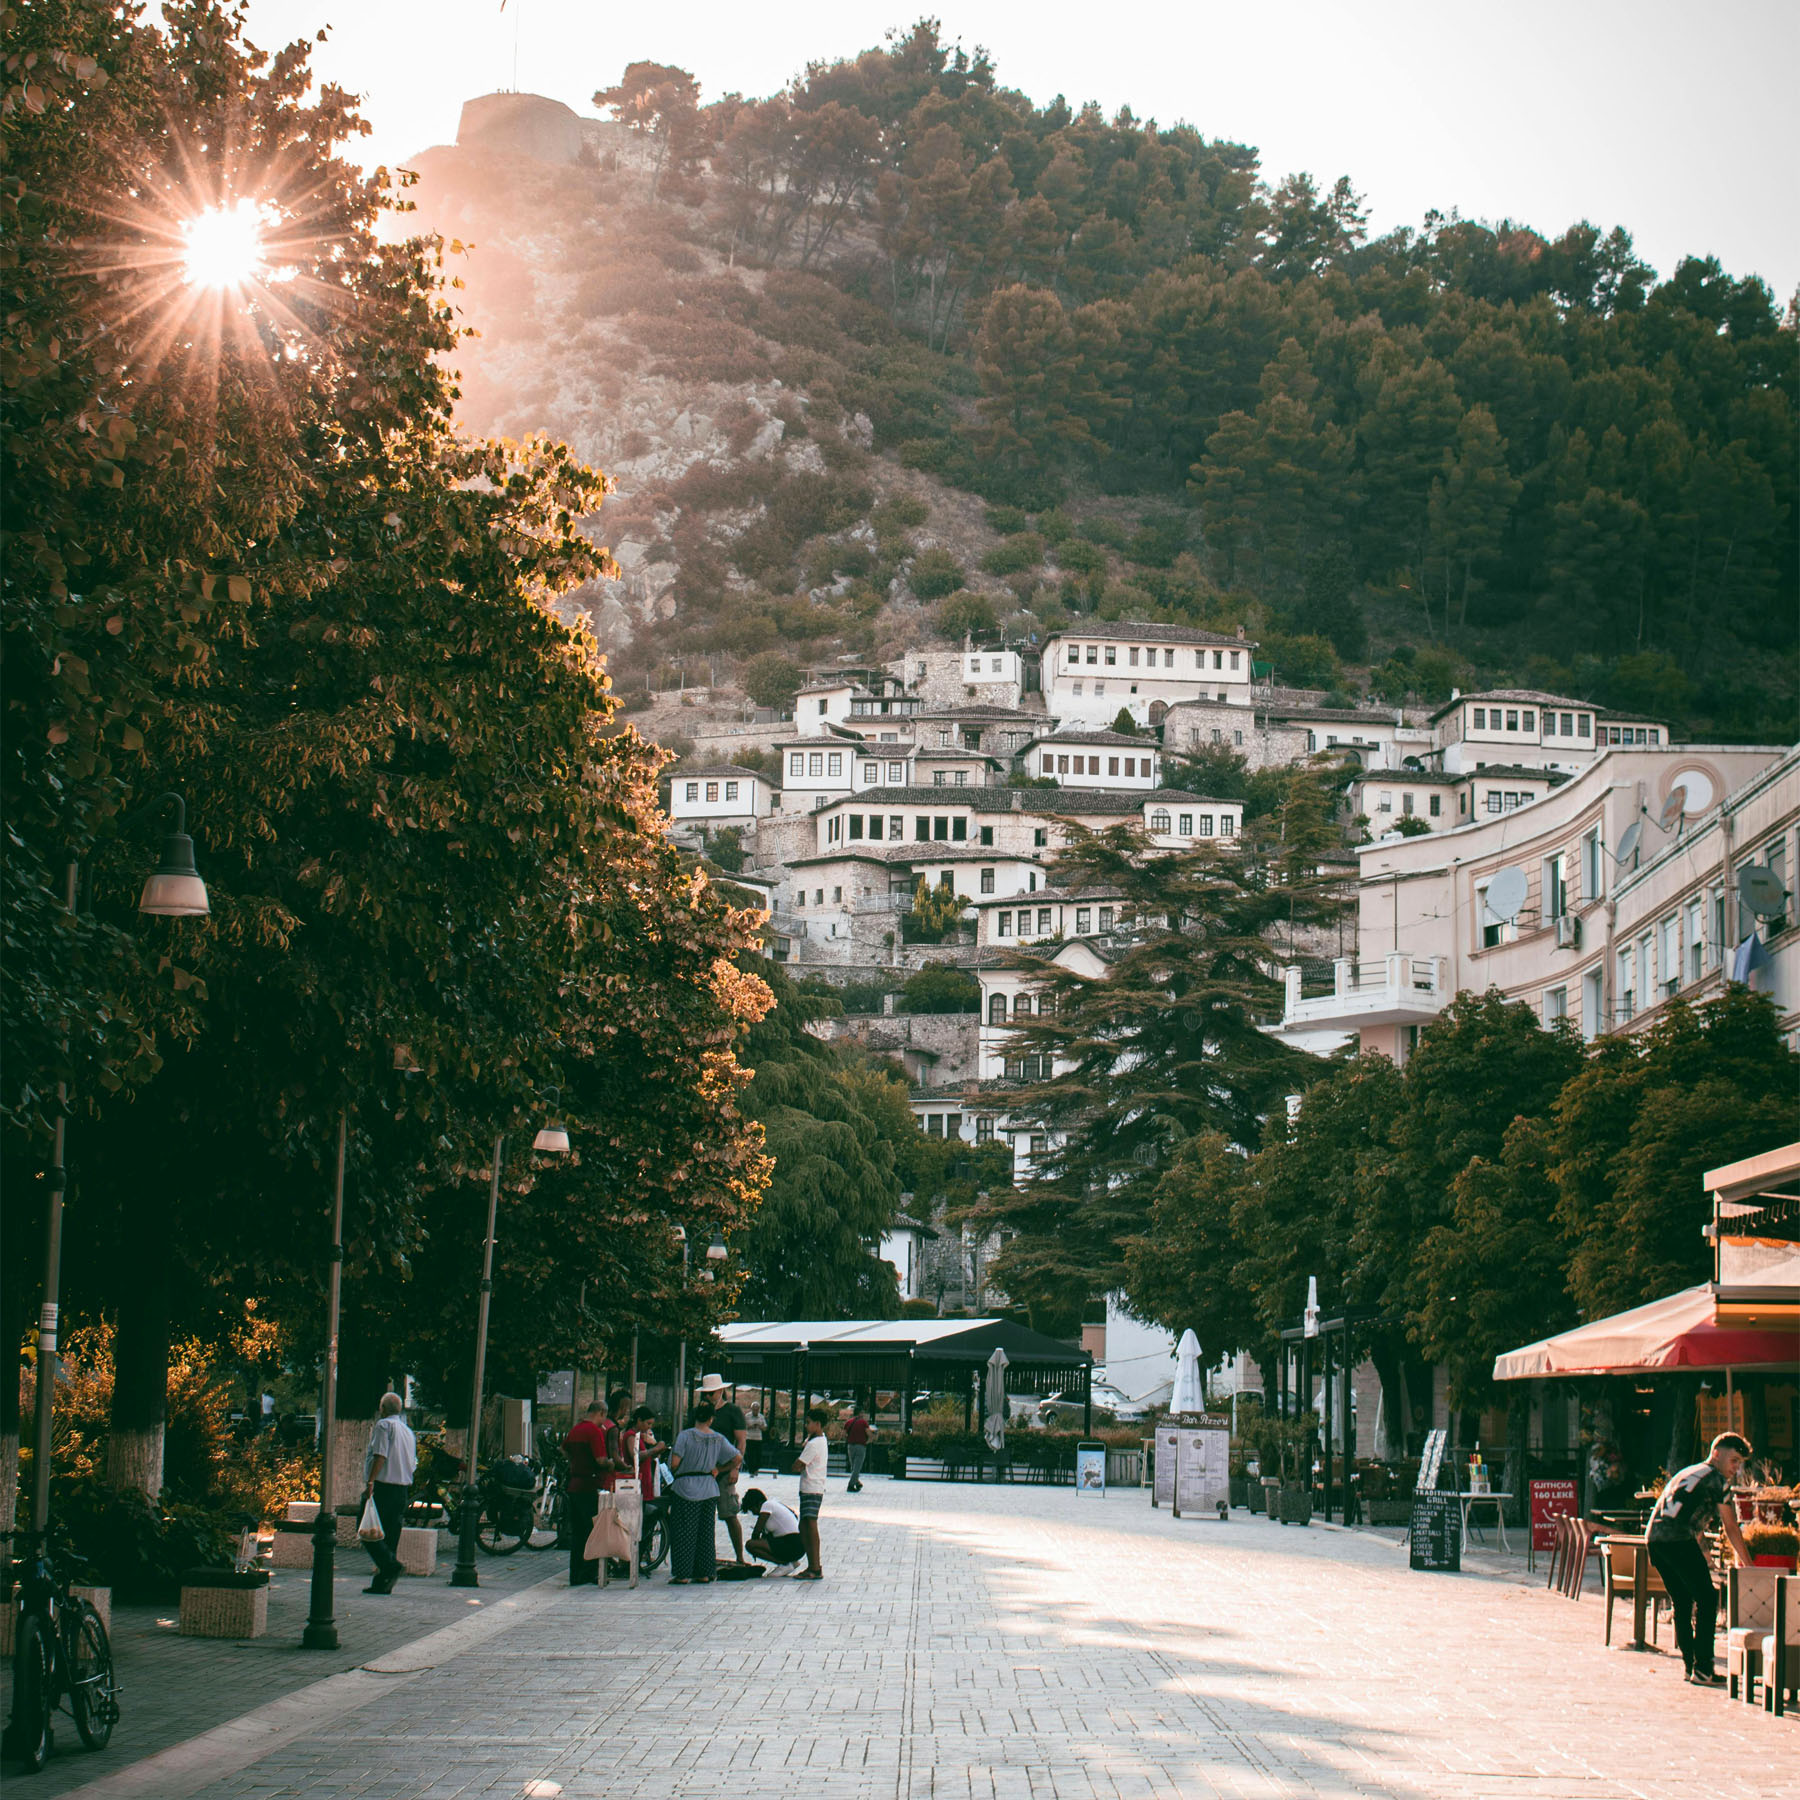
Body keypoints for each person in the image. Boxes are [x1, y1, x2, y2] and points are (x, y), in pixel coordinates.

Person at [1645, 1431, 1754, 1684]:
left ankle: (1690, 1667)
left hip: (1655, 1539)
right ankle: (1703, 1667)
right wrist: (1748, 1564)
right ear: (1717, 1454)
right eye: (1734, 1460)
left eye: (1739, 1463)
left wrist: (1704, 1554)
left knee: (1682, 1602)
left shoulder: (1689, 1472)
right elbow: (1730, 1526)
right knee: (1707, 1598)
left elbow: (1684, 1515)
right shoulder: (1717, 1480)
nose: (1735, 1469)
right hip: (1677, 1539)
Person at [666, 1399, 740, 1584]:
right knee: (706, 1533)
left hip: (686, 1487)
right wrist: (719, 1469)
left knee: (684, 1531)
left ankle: (683, 1574)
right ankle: (704, 1572)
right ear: (711, 1419)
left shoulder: (685, 1436)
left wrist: (678, 1470)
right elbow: (737, 1457)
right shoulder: (718, 1438)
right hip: (709, 1487)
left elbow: (674, 1463)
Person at [360, 1392, 417, 1595]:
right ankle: (383, 1582)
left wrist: (370, 1482)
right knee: (391, 1535)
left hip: (383, 1487)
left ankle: (390, 1566)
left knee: (366, 1529)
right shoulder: (408, 1431)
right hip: (401, 1489)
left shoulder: (384, 1426)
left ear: (382, 1408)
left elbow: (380, 1455)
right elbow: (412, 1463)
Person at [562, 1399, 611, 1588]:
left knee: (578, 1533)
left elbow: (563, 1449)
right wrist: (610, 1464)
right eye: (603, 1417)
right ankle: (589, 1572)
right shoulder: (593, 1431)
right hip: (589, 1485)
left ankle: (575, 1574)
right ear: (601, 1413)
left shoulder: (576, 1429)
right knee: (591, 1532)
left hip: (574, 1484)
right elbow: (600, 1459)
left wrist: (575, 1461)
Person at [702, 1374, 749, 1566]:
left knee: (729, 1513)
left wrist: (735, 1468)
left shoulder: (732, 1412)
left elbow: (741, 1440)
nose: (709, 1397)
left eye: (712, 1393)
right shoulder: (702, 1411)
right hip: (705, 1469)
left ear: (721, 1392)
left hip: (725, 1467)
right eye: (707, 1394)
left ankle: (739, 1556)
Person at [790, 1405, 829, 1580]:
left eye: (809, 1423)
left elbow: (797, 1465)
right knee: (804, 1525)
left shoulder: (814, 1444)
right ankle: (813, 1565)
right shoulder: (820, 1440)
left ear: (818, 1424)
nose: (806, 1425)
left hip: (811, 1488)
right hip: (813, 1487)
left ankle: (814, 1566)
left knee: (810, 1525)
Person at [740, 1487, 806, 1572]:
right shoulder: (775, 1503)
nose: (754, 1513)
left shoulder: (766, 1505)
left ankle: (783, 1564)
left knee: (750, 1545)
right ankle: (790, 1562)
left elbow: (756, 1532)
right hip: (799, 1545)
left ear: (758, 1503)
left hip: (791, 1543)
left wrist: (755, 1549)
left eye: (753, 1509)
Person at [844, 1405, 873, 1492]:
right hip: (860, 1446)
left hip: (850, 1446)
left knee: (854, 1466)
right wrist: (868, 1441)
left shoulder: (848, 1422)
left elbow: (844, 1435)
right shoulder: (863, 1422)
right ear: (860, 1413)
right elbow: (869, 1434)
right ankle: (851, 1485)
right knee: (857, 1467)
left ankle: (857, 1483)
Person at [743, 1400, 767, 1476]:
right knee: (750, 1455)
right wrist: (751, 1426)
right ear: (751, 1409)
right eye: (754, 1409)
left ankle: (756, 1469)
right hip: (749, 1438)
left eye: (757, 1409)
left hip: (758, 1438)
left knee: (758, 1455)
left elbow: (765, 1427)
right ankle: (751, 1470)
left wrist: (760, 1426)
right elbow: (744, 1426)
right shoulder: (747, 1416)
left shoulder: (761, 1416)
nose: (755, 1411)